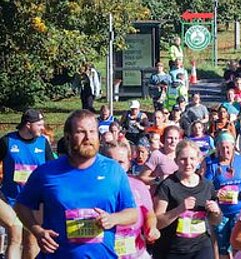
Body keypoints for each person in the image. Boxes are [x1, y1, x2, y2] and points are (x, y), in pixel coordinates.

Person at [14, 109, 138, 258]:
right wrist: (37, 231)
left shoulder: (114, 170)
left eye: (92, 132)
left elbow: (132, 213)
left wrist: (113, 219)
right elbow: (21, 206)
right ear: (68, 137)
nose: (88, 137)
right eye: (81, 132)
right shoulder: (46, 173)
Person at [153, 139, 222, 259]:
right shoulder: (167, 185)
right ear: (176, 161)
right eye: (183, 159)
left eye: (192, 159)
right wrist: (179, 210)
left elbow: (215, 221)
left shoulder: (207, 185)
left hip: (200, 248)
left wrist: (216, 212)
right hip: (172, 249)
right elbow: (157, 223)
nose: (188, 163)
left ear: (199, 160)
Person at [0, 109, 55, 259]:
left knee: (31, 242)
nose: (43, 128)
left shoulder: (43, 143)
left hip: (34, 203)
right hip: (10, 198)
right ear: (28, 125)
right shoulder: (7, 142)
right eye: (39, 125)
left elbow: (52, 169)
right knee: (15, 236)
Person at [102, 140, 160, 259]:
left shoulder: (138, 186)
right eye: (111, 162)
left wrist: (151, 228)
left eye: (121, 162)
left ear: (128, 163)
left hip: (136, 253)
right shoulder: (93, 188)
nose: (116, 166)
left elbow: (149, 214)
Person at [203, 132, 241, 259]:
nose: (225, 150)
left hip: (239, 210)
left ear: (234, 146)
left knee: (238, 244)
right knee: (222, 246)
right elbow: (205, 186)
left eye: (228, 147)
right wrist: (215, 193)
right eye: (222, 147)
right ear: (217, 148)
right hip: (221, 213)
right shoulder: (212, 165)